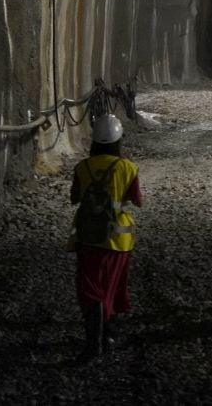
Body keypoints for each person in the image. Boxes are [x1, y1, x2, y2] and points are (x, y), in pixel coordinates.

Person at [68, 114, 142, 361]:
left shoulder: (83, 167)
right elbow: (138, 200)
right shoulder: (128, 167)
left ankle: (94, 343)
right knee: (112, 288)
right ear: (118, 140)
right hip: (120, 240)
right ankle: (108, 334)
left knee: (91, 289)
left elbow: (74, 198)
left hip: (88, 236)